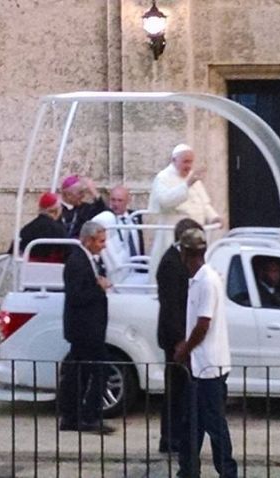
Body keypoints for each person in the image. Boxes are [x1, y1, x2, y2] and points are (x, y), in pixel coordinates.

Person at [174, 229, 238, 478]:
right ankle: (188, 471)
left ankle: (228, 472)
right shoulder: (200, 279)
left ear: (186, 252)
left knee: (214, 425)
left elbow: (203, 324)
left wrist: (184, 349)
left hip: (210, 367)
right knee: (192, 424)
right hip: (200, 366)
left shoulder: (207, 281)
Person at [56, 221, 114, 433]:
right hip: (84, 329)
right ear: (88, 240)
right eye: (100, 241)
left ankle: (72, 416)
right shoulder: (77, 262)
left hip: (89, 328)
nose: (104, 245)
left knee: (79, 373)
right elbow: (77, 296)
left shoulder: (87, 260)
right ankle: (88, 416)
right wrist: (99, 287)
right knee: (97, 370)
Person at [156, 218, 203, 454]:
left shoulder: (175, 261)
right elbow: (172, 307)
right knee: (175, 389)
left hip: (179, 335)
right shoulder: (171, 264)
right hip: (175, 337)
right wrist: (179, 341)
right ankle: (170, 437)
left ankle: (176, 434)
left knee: (181, 389)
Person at [147, 144, 221, 281]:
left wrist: (214, 217)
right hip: (172, 233)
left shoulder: (192, 177)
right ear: (174, 160)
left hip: (194, 234)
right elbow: (164, 201)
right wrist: (186, 185)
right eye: (185, 161)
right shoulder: (163, 177)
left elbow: (203, 203)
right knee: (173, 270)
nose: (189, 165)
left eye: (191, 161)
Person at [91, 185, 145, 279]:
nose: (116, 204)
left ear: (128, 201)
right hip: (118, 272)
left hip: (139, 269)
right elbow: (99, 206)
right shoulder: (107, 218)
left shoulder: (135, 216)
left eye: (120, 200)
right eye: (113, 200)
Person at [7, 192, 67, 262]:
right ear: (56, 211)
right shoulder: (58, 229)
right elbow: (68, 252)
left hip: (26, 270)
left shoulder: (27, 229)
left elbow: (13, 250)